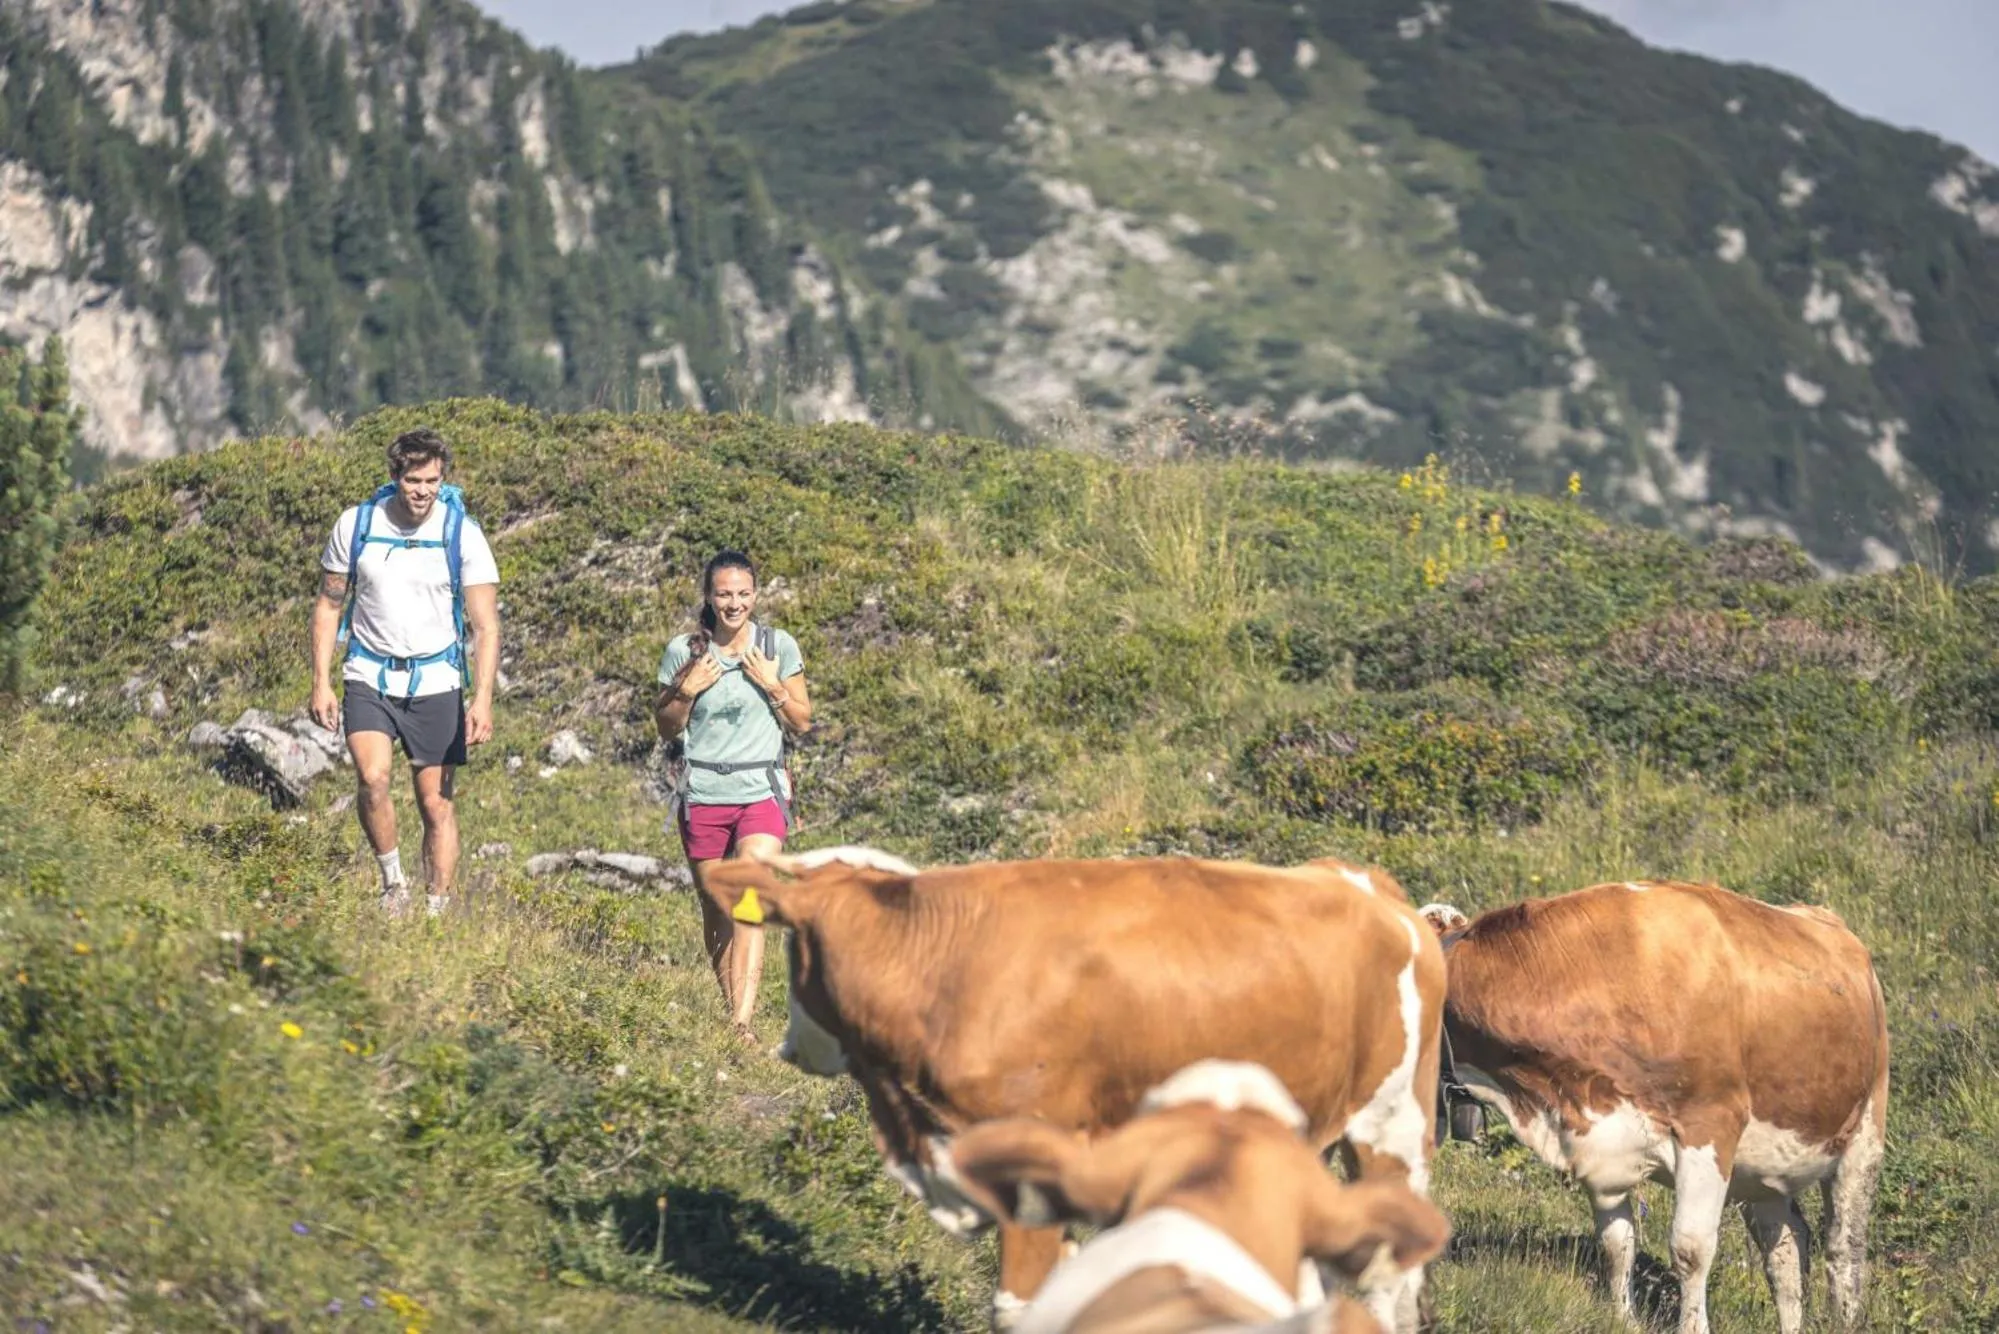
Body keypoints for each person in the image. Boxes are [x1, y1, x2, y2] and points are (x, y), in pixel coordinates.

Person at [309, 428, 500, 917]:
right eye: (414, 480)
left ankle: (436, 911)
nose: (423, 491)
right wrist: (321, 681)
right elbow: (330, 605)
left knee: (434, 804)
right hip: (368, 673)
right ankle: (394, 885)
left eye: (433, 481)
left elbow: (485, 624)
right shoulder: (356, 526)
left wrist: (482, 699)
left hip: (436, 680)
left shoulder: (462, 533)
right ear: (395, 477)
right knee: (373, 778)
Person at [654, 550, 812, 1037]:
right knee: (717, 909)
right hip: (703, 791)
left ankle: (742, 1024)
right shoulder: (685, 650)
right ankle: (733, 1015)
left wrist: (773, 686)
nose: (734, 603)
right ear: (709, 596)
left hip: (759, 791)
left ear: (756, 595)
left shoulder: (776, 646)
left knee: (749, 898)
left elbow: (803, 722)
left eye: (743, 593)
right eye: (724, 593)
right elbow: (665, 727)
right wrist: (687, 690)